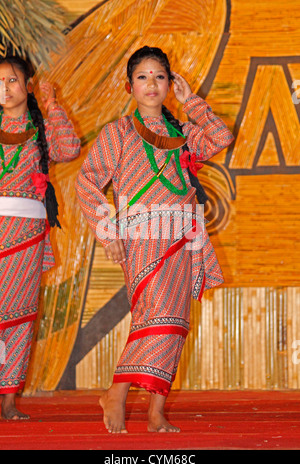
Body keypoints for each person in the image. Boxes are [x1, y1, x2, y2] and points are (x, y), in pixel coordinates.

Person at [76, 46, 234, 433]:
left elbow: (221, 136)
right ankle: (116, 391)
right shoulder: (117, 133)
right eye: (143, 76)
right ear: (129, 85)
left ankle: (155, 411)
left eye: (160, 76)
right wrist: (106, 231)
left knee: (175, 321)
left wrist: (191, 101)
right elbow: (87, 182)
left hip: (184, 234)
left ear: (170, 83)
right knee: (154, 315)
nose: (152, 83)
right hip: (143, 235)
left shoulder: (183, 133)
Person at [0, 56, 81, 420]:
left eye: (12, 80)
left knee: (19, 316)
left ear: (27, 85)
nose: (5, 88)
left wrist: (51, 104)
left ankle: (8, 399)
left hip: (27, 236)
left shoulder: (41, 127)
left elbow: (68, 150)